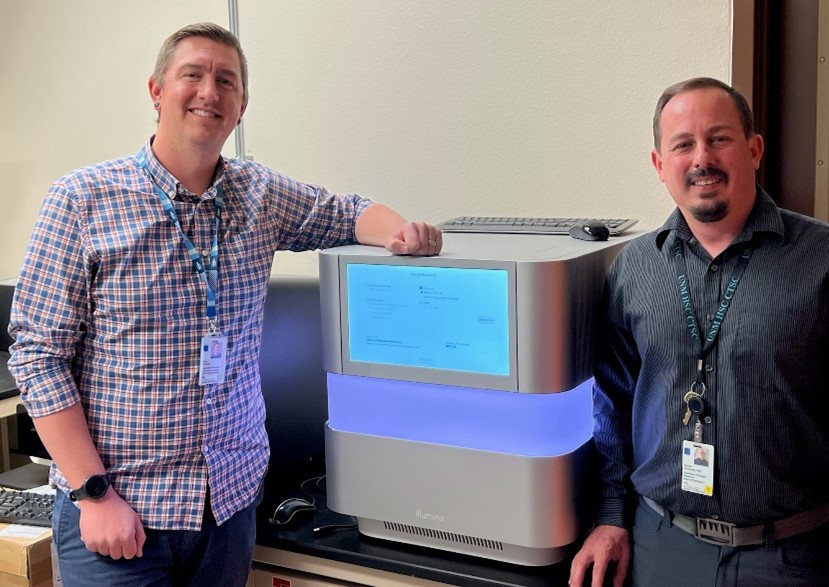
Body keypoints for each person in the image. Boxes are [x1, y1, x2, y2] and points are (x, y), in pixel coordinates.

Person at [8, 22, 442, 587]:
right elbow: (39, 357)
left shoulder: (258, 195)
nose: (209, 91)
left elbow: (346, 212)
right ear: (157, 91)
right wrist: (93, 495)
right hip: (120, 515)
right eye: (193, 74)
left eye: (226, 80)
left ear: (241, 107)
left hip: (228, 509)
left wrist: (402, 232)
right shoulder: (82, 199)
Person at [569, 77, 829, 587]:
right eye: (683, 144)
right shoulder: (634, 268)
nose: (701, 158)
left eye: (720, 138)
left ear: (753, 151)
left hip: (796, 557)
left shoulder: (820, 258)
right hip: (661, 546)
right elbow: (613, 406)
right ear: (659, 164)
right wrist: (609, 517)